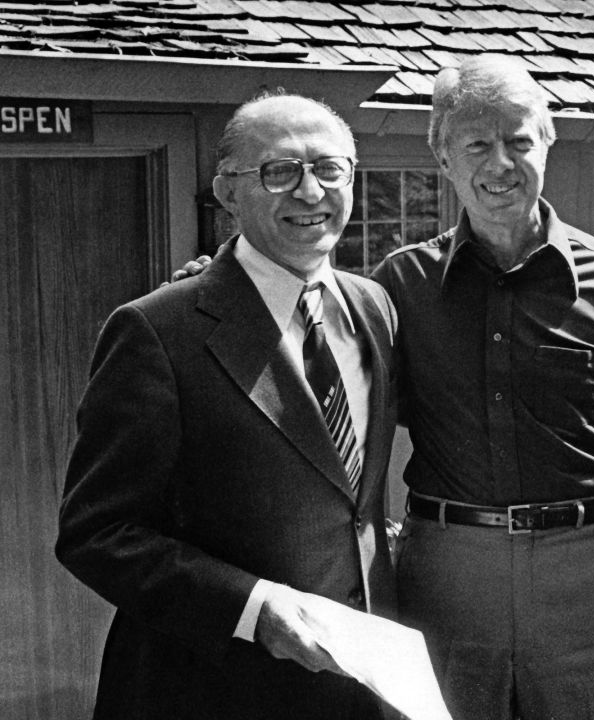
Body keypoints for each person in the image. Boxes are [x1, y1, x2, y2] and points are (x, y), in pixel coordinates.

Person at [56, 92, 400, 719]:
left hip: (357, 689)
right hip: (213, 688)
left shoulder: (373, 307)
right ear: (227, 192)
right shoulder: (158, 330)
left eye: (329, 169)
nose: (310, 191)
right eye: (279, 171)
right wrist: (254, 609)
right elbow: (96, 533)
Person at [371, 57, 594, 720]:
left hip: (586, 581)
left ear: (548, 140)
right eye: (477, 145)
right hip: (447, 580)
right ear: (443, 158)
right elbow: (360, 457)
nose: (500, 165)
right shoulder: (400, 287)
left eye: (518, 140)